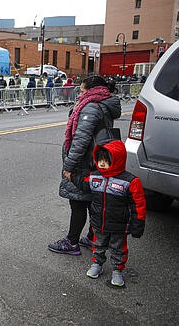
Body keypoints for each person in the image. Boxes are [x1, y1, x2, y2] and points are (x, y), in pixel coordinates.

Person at [48, 75, 121, 256]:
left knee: (78, 201)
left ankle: (72, 242)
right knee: (90, 199)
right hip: (97, 161)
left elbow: (81, 140)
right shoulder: (104, 104)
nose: (79, 94)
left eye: (82, 91)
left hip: (85, 163)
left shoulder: (91, 107)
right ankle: (92, 237)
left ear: (92, 90)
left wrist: (69, 165)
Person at [68, 140, 146, 286]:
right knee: (98, 245)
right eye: (100, 160)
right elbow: (83, 184)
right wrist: (71, 176)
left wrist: (137, 225)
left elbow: (138, 205)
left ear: (117, 160)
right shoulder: (95, 177)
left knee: (118, 248)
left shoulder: (130, 181)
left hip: (119, 225)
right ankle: (97, 264)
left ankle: (117, 270)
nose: (102, 163)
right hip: (98, 223)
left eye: (106, 160)